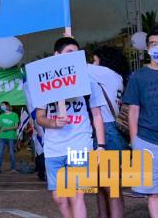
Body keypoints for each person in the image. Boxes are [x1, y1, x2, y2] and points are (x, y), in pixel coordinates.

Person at [35, 37, 106, 218]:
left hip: (80, 145)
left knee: (76, 194)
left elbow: (97, 115)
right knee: (59, 197)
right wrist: (53, 123)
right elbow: (40, 117)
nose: (73, 56)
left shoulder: (88, 82)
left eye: (76, 54)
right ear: (56, 55)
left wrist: (101, 146)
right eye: (69, 52)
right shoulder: (44, 84)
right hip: (53, 149)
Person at [124, 30, 158, 218]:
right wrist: (135, 142)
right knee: (155, 194)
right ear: (147, 48)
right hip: (148, 142)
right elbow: (133, 111)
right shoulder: (138, 77)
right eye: (153, 43)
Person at [90, 46, 130, 218]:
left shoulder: (104, 73)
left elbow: (74, 66)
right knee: (102, 184)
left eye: (95, 60)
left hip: (106, 131)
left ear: (103, 61)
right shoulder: (117, 77)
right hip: (112, 131)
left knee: (109, 185)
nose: (93, 64)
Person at [0, 101, 19, 174]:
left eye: (3, 105)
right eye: (1, 105)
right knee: (0, 152)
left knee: (11, 152)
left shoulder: (14, 115)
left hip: (11, 136)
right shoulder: (1, 116)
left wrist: (7, 129)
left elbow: (16, 126)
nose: (2, 106)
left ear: (7, 106)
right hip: (2, 136)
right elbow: (0, 127)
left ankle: (13, 168)